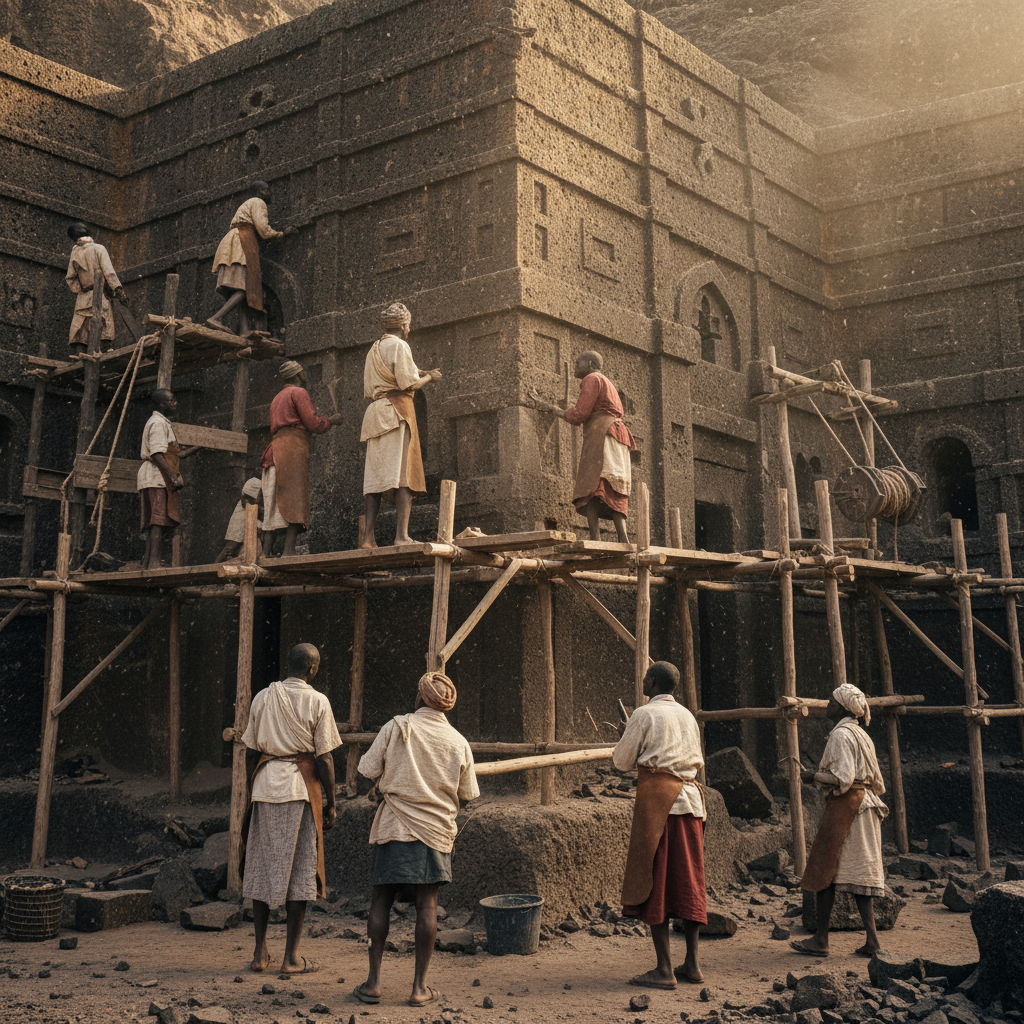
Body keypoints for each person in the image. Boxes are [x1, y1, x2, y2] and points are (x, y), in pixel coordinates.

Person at [354, 671, 479, 1008]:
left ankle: (373, 984)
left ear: (421, 697)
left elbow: (366, 771)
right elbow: (466, 795)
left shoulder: (396, 727)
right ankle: (419, 988)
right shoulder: (458, 742)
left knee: (380, 900)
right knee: (428, 905)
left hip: (393, 826)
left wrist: (390, 786)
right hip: (434, 833)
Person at [240, 642, 341, 976]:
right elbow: (325, 758)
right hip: (300, 791)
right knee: (300, 870)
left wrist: (250, 789)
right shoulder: (317, 701)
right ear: (312, 670)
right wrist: (331, 801)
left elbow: (250, 752)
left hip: (265, 787)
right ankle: (291, 958)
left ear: (289, 665)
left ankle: (259, 953)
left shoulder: (263, 697)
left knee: (261, 866)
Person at [613, 661, 707, 989]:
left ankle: (664, 969)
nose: (642, 679)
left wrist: (626, 736)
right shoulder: (687, 716)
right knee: (689, 884)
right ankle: (692, 964)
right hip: (692, 804)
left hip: (660, 806)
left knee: (656, 885)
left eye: (645, 676)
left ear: (652, 681)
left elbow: (621, 762)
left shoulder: (643, 714)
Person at [791, 683, 887, 959]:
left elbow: (843, 778)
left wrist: (813, 777)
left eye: (832, 701)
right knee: (860, 877)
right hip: (865, 805)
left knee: (824, 871)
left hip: (848, 806)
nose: (827, 704)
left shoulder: (841, 735)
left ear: (842, 707)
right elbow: (875, 781)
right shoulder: (861, 734)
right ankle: (872, 941)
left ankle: (821, 939)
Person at [359, 302, 441, 549]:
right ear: (404, 325)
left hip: (375, 413)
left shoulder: (375, 349)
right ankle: (401, 536)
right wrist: (429, 377)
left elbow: (397, 373)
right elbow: (408, 384)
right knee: (405, 475)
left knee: (374, 479)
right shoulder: (400, 345)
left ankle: (368, 539)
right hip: (396, 412)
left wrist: (419, 370)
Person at [534, 351, 637, 542]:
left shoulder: (592, 378)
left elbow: (579, 414)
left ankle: (595, 537)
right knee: (611, 485)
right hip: (617, 436)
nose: (575, 366)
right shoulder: (607, 382)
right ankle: (623, 537)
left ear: (590, 364)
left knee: (591, 484)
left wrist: (554, 410)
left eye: (578, 362)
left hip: (602, 434)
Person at [261, 360, 343, 557]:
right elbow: (314, 424)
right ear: (299, 374)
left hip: (274, 451)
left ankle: (265, 553)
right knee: (295, 500)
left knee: (272, 504)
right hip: (291, 452)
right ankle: (289, 551)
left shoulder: (276, 398)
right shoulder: (298, 393)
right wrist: (331, 420)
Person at [208, 181, 284, 335]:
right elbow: (263, 229)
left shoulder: (247, 205)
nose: (269, 193)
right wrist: (281, 234)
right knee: (244, 288)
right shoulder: (258, 202)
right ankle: (216, 318)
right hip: (241, 243)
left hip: (234, 243)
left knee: (241, 289)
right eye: (267, 190)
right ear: (260, 192)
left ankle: (244, 330)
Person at [136, 388, 183, 571]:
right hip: (157, 476)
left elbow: (168, 454)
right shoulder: (157, 423)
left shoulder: (162, 423)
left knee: (155, 520)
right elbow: (156, 453)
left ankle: (148, 562)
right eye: (171, 400)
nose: (175, 403)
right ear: (162, 404)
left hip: (157, 476)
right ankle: (154, 563)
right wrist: (172, 477)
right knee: (157, 520)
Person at [65, 221, 127, 355]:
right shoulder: (99, 248)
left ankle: (80, 352)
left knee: (80, 325)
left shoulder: (75, 252)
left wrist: (81, 289)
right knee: (104, 322)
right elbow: (109, 272)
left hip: (83, 295)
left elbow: (70, 277)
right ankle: (105, 350)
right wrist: (118, 290)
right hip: (100, 294)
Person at [215, 475, 263, 563]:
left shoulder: (261, 508)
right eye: (243, 497)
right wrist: (216, 565)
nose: (245, 501)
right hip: (245, 555)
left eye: (249, 498)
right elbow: (232, 544)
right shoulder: (241, 511)